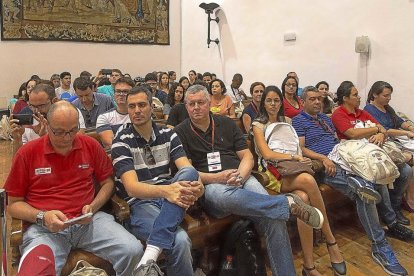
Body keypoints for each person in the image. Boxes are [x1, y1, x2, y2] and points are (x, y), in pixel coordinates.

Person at [175, 84, 325, 276]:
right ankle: (285, 204)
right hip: (211, 185)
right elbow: (187, 170)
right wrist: (217, 177)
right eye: (191, 103)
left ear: (209, 103)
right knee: (223, 195)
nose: (196, 107)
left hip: (241, 177)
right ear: (186, 106)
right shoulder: (180, 132)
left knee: (274, 219)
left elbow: (247, 156)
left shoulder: (226, 124)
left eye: (201, 102)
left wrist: (240, 175)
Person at [5, 101, 142, 275]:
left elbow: (108, 182)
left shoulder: (89, 145)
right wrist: (42, 216)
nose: (66, 138)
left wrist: (93, 206)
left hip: (88, 222)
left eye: (72, 131)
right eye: (59, 132)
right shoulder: (27, 153)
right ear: (47, 125)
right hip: (45, 228)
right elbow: (13, 204)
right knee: (37, 271)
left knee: (132, 250)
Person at [293, 86, 412, 276]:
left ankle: (373, 200)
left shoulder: (325, 119)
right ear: (304, 102)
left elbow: (337, 140)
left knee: (374, 179)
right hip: (324, 165)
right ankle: (380, 246)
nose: (317, 102)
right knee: (364, 194)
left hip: (341, 157)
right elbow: (301, 149)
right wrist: (323, 159)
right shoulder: (299, 121)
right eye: (312, 99)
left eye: (319, 99)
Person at [251, 85, 345, 276]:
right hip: (271, 174)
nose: (272, 104)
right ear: (263, 103)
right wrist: (295, 158)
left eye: (276, 100)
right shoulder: (258, 124)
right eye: (268, 100)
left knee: (304, 198)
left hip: (292, 171)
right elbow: (268, 154)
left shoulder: (287, 120)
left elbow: (294, 146)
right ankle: (330, 240)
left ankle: (308, 267)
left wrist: (299, 157)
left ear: (281, 102)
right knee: (309, 181)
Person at [111, 85, 204, 276]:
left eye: (142, 105)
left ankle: (148, 258)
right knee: (180, 241)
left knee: (189, 173)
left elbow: (187, 169)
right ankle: (150, 257)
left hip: (169, 199)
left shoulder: (168, 134)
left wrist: (198, 187)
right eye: (132, 106)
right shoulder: (122, 140)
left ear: (151, 106)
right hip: (140, 203)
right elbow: (132, 188)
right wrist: (167, 191)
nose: (137, 111)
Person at [331, 81, 412, 225]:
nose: (359, 97)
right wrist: (375, 130)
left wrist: (381, 134)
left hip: (374, 151)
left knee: (405, 170)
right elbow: (352, 133)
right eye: (355, 95)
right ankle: (390, 218)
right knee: (380, 175)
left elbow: (382, 128)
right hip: (356, 156)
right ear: (345, 98)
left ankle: (395, 205)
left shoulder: (362, 112)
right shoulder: (339, 114)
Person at [364, 81, 414, 214]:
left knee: (411, 167)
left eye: (390, 95)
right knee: (408, 168)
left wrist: (410, 127)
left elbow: (399, 122)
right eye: (386, 95)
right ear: (375, 94)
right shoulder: (369, 109)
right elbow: (384, 130)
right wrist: (406, 133)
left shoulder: (387, 108)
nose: (389, 98)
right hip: (385, 144)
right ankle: (399, 202)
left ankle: (406, 199)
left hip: (395, 142)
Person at [9, 83, 86, 154]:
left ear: (54, 101)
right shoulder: (29, 120)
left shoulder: (69, 112)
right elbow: (19, 162)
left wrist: (45, 136)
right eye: (32, 106)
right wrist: (17, 139)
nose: (36, 110)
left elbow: (77, 145)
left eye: (41, 106)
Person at [96, 77, 133, 149]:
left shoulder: (140, 114)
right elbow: (110, 144)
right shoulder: (104, 117)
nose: (121, 94)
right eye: (118, 91)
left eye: (125, 91)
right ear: (114, 93)